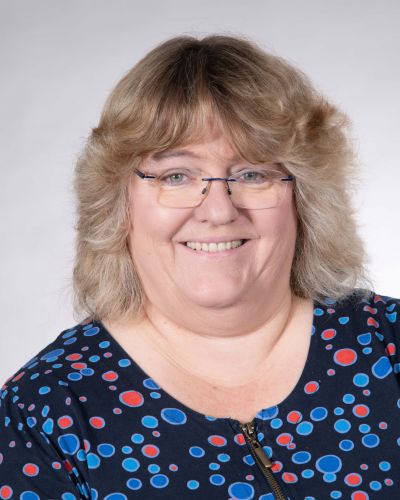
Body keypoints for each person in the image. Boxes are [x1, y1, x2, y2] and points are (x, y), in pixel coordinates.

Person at [0, 34, 399, 500]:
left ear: (305, 197)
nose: (219, 210)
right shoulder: (43, 413)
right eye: (176, 176)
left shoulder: (390, 346)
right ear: (118, 202)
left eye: (252, 174)